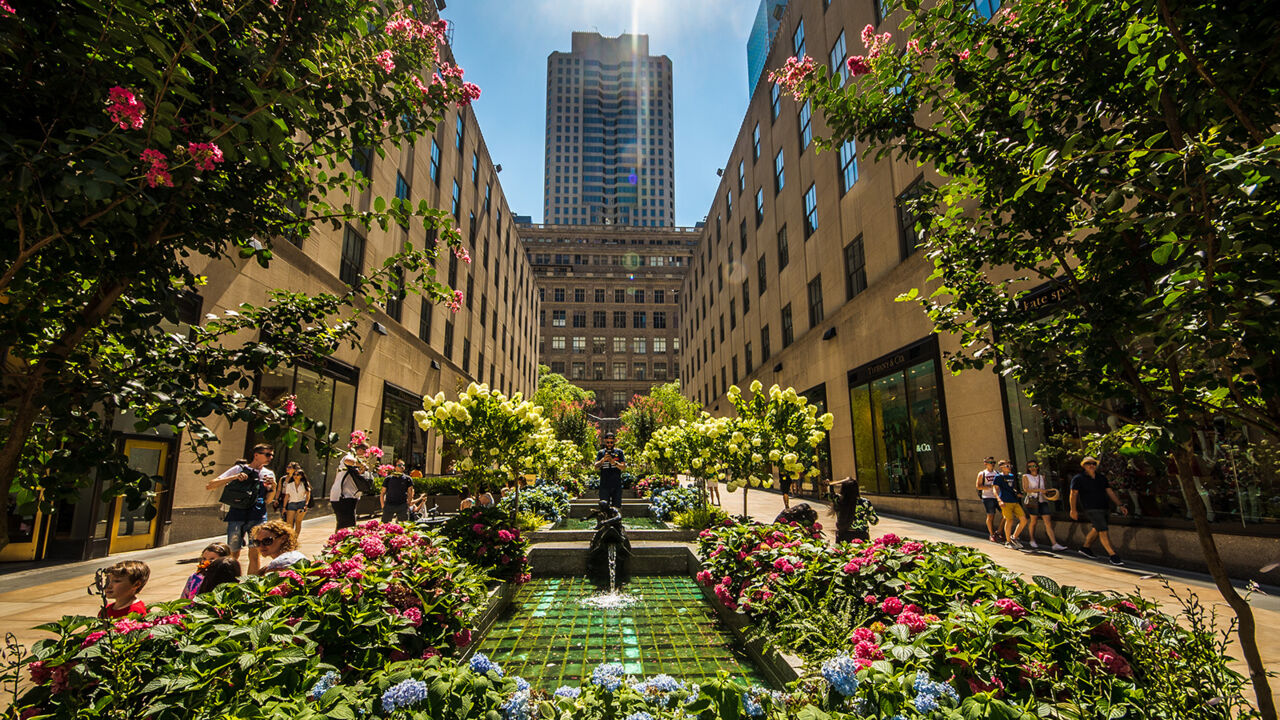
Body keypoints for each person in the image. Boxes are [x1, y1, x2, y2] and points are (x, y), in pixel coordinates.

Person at [206, 444, 276, 563]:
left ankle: (252, 576)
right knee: (233, 554)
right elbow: (210, 485)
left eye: (272, 455)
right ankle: (231, 574)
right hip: (237, 515)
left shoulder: (268, 474)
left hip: (257, 516)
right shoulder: (238, 469)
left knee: (255, 554)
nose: (271, 458)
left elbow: (268, 500)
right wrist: (234, 477)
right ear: (256, 455)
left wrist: (274, 487)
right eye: (268, 454)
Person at [1070, 456, 1130, 565]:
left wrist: (1120, 505)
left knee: (1097, 528)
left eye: (1093, 463)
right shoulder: (1078, 478)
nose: (1091, 466)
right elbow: (1073, 494)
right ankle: (1113, 555)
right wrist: (1073, 510)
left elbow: (1110, 491)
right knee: (1103, 530)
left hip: (1104, 507)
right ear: (1083, 465)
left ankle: (1085, 548)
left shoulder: (1101, 477)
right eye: (1088, 463)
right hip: (1091, 508)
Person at [1022, 460, 1067, 551]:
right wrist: (1038, 490)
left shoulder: (1041, 477)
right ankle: (1032, 539)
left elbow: (1044, 489)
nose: (1032, 468)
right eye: (1030, 466)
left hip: (1042, 500)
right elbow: (1026, 489)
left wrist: (1048, 492)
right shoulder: (1026, 476)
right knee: (1033, 521)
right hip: (1032, 500)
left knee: (1048, 522)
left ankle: (1054, 544)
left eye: (1034, 466)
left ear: (1037, 467)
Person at [828, 477, 878, 544]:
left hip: (844, 535)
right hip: (861, 536)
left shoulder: (838, 500)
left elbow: (825, 493)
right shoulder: (864, 502)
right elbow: (874, 521)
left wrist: (830, 483)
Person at [992, 460, 1028, 549]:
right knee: (1009, 520)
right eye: (1007, 466)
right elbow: (995, 489)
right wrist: (999, 500)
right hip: (1005, 501)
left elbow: (1011, 487)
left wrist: (1017, 493)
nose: (1009, 468)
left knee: (1023, 519)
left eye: (1010, 466)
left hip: (1014, 500)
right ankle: (1008, 541)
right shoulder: (998, 477)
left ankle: (1014, 537)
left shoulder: (1011, 476)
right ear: (1001, 467)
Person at [329, 445, 364, 530]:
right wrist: (361, 464)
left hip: (351, 497)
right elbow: (348, 461)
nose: (365, 453)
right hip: (342, 497)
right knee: (345, 526)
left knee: (348, 525)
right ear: (359, 450)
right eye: (364, 450)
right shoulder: (349, 456)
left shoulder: (357, 461)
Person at [594, 432, 627, 508]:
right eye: (608, 442)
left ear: (614, 442)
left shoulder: (619, 452)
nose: (609, 444)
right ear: (605, 441)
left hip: (616, 484)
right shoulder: (601, 453)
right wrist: (603, 460)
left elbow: (623, 467)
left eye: (611, 442)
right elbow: (595, 467)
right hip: (604, 484)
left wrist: (614, 462)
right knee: (604, 507)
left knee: (617, 507)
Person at [280, 465, 311, 538]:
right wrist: (284, 507)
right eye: (294, 474)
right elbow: (287, 496)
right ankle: (290, 538)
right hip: (291, 504)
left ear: (301, 476)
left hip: (301, 504)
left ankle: (295, 538)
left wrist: (306, 504)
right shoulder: (289, 485)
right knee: (289, 524)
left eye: (298, 475)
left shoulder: (305, 484)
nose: (295, 476)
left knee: (298, 522)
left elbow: (308, 495)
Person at [975, 457, 1001, 543]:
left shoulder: (997, 473)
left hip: (998, 496)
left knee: (1005, 515)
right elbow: (978, 486)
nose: (992, 464)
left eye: (993, 462)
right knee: (991, 515)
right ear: (985, 463)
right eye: (990, 462)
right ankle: (992, 534)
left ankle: (998, 532)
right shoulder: (982, 473)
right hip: (987, 497)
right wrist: (989, 487)